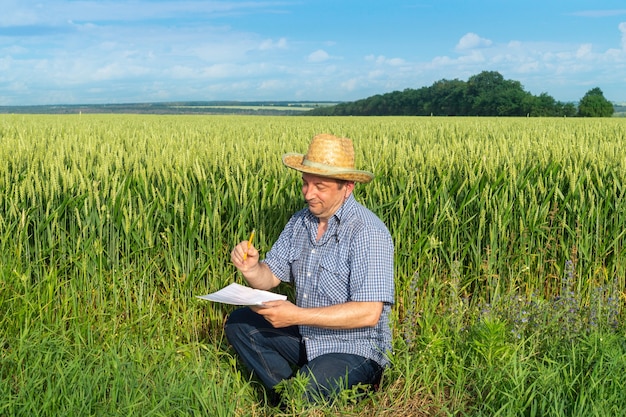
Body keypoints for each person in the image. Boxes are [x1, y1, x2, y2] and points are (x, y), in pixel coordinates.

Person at [225, 133, 394, 404]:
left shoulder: (367, 232)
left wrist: (296, 316)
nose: (307, 193)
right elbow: (270, 278)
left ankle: (300, 397)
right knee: (240, 324)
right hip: (308, 338)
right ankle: (289, 398)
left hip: (356, 350)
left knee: (306, 390)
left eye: (320, 186)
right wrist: (251, 268)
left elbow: (369, 313)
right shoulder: (300, 222)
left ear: (347, 187)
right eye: (305, 183)